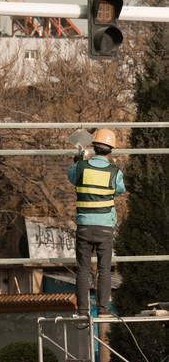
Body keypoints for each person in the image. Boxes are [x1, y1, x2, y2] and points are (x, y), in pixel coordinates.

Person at [67, 128, 126, 317]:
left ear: (93, 147)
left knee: (83, 270)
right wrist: (113, 169)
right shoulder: (114, 172)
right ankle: (103, 310)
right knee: (104, 271)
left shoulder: (81, 167)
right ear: (110, 151)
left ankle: (83, 311)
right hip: (105, 229)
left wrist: (78, 161)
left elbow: (71, 177)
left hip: (84, 227)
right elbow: (119, 190)